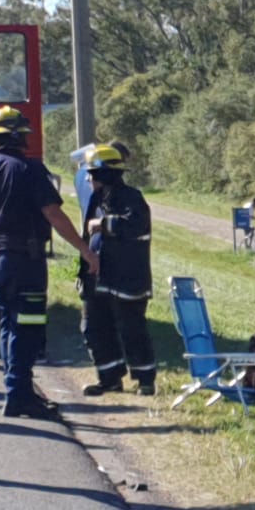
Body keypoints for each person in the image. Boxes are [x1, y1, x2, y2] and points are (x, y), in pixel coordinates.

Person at [0, 107, 98, 420]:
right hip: (27, 260)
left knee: (7, 325)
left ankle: (18, 389)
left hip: (1, 261)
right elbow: (54, 215)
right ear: (18, 135)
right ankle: (18, 396)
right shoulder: (31, 170)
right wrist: (85, 250)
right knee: (27, 328)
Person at [77, 143, 158, 396]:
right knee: (94, 328)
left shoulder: (132, 198)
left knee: (132, 330)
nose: (88, 179)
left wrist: (104, 224)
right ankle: (109, 378)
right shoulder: (96, 199)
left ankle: (145, 381)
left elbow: (136, 225)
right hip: (98, 279)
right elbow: (87, 238)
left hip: (127, 279)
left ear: (104, 174)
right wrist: (82, 274)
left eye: (92, 174)